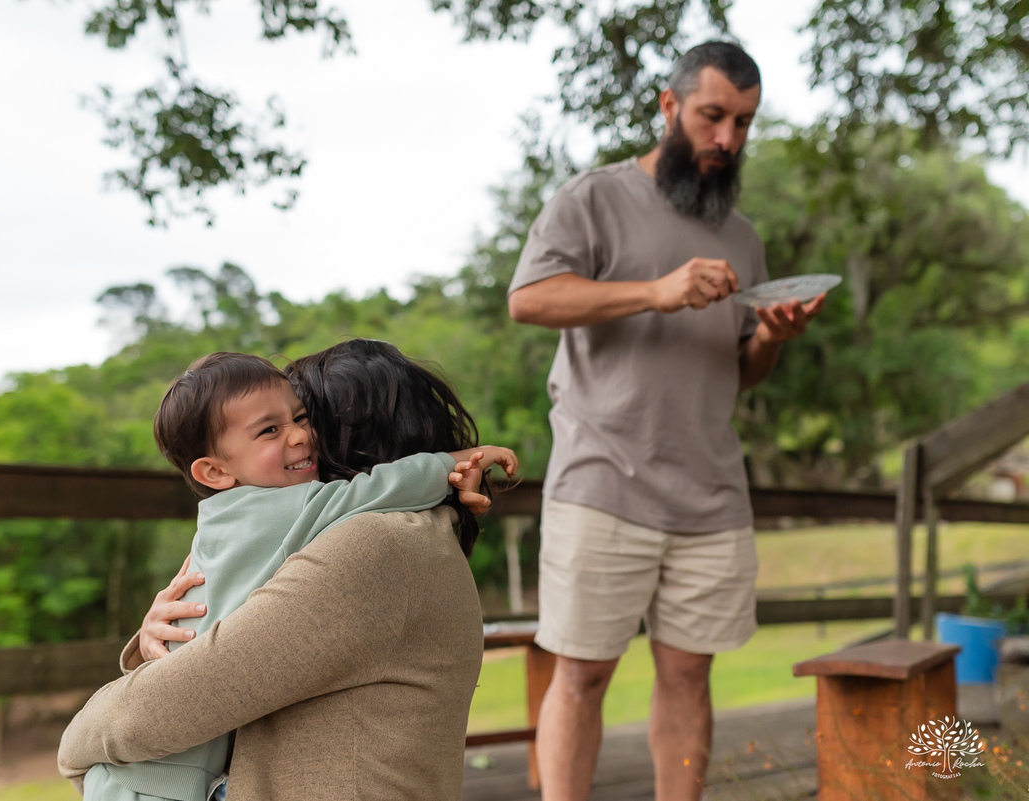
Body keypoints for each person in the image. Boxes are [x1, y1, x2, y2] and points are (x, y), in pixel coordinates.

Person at [506, 41, 824, 801]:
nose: (728, 140)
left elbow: (741, 372)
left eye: (744, 123)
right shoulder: (593, 198)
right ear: (669, 105)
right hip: (601, 481)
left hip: (710, 493)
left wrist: (772, 340)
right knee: (581, 673)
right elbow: (530, 299)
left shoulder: (742, 234)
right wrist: (654, 291)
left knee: (688, 675)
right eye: (714, 116)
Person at [58, 339, 510, 800]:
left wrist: (77, 745)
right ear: (215, 470)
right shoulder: (399, 536)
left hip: (162, 771)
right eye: (270, 429)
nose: (301, 437)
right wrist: (451, 469)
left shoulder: (375, 545)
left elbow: (161, 707)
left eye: (304, 417)